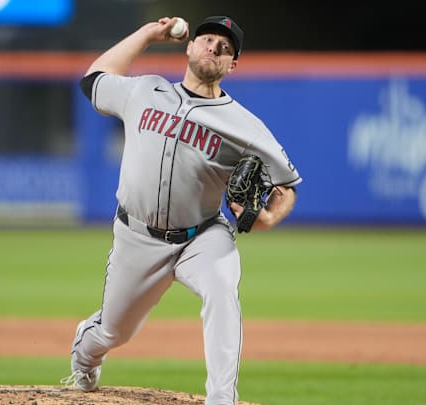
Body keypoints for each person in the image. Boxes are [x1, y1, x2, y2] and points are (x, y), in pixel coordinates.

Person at [61, 15, 302, 404]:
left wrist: (270, 216)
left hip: (203, 235)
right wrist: (148, 34)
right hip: (137, 237)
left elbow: (286, 186)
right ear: (189, 47)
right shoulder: (144, 90)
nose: (215, 48)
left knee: (222, 289)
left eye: (225, 48)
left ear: (232, 65)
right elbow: (93, 79)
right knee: (114, 332)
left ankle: (222, 398)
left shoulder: (247, 127)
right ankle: (86, 353)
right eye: (208, 40)